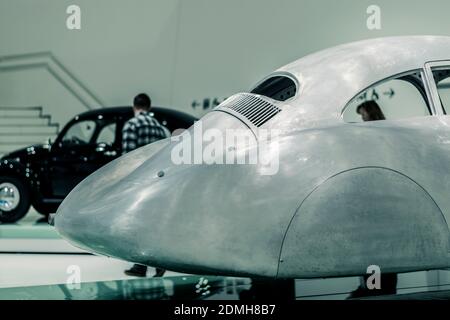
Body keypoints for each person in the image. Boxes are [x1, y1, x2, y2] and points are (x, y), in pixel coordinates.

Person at [123, 93, 168, 278]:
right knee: (154, 223)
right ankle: (159, 264)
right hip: (158, 181)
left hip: (140, 183)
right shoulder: (159, 128)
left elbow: (128, 157)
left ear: (134, 106)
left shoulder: (132, 125)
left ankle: (140, 265)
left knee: (136, 224)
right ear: (149, 107)